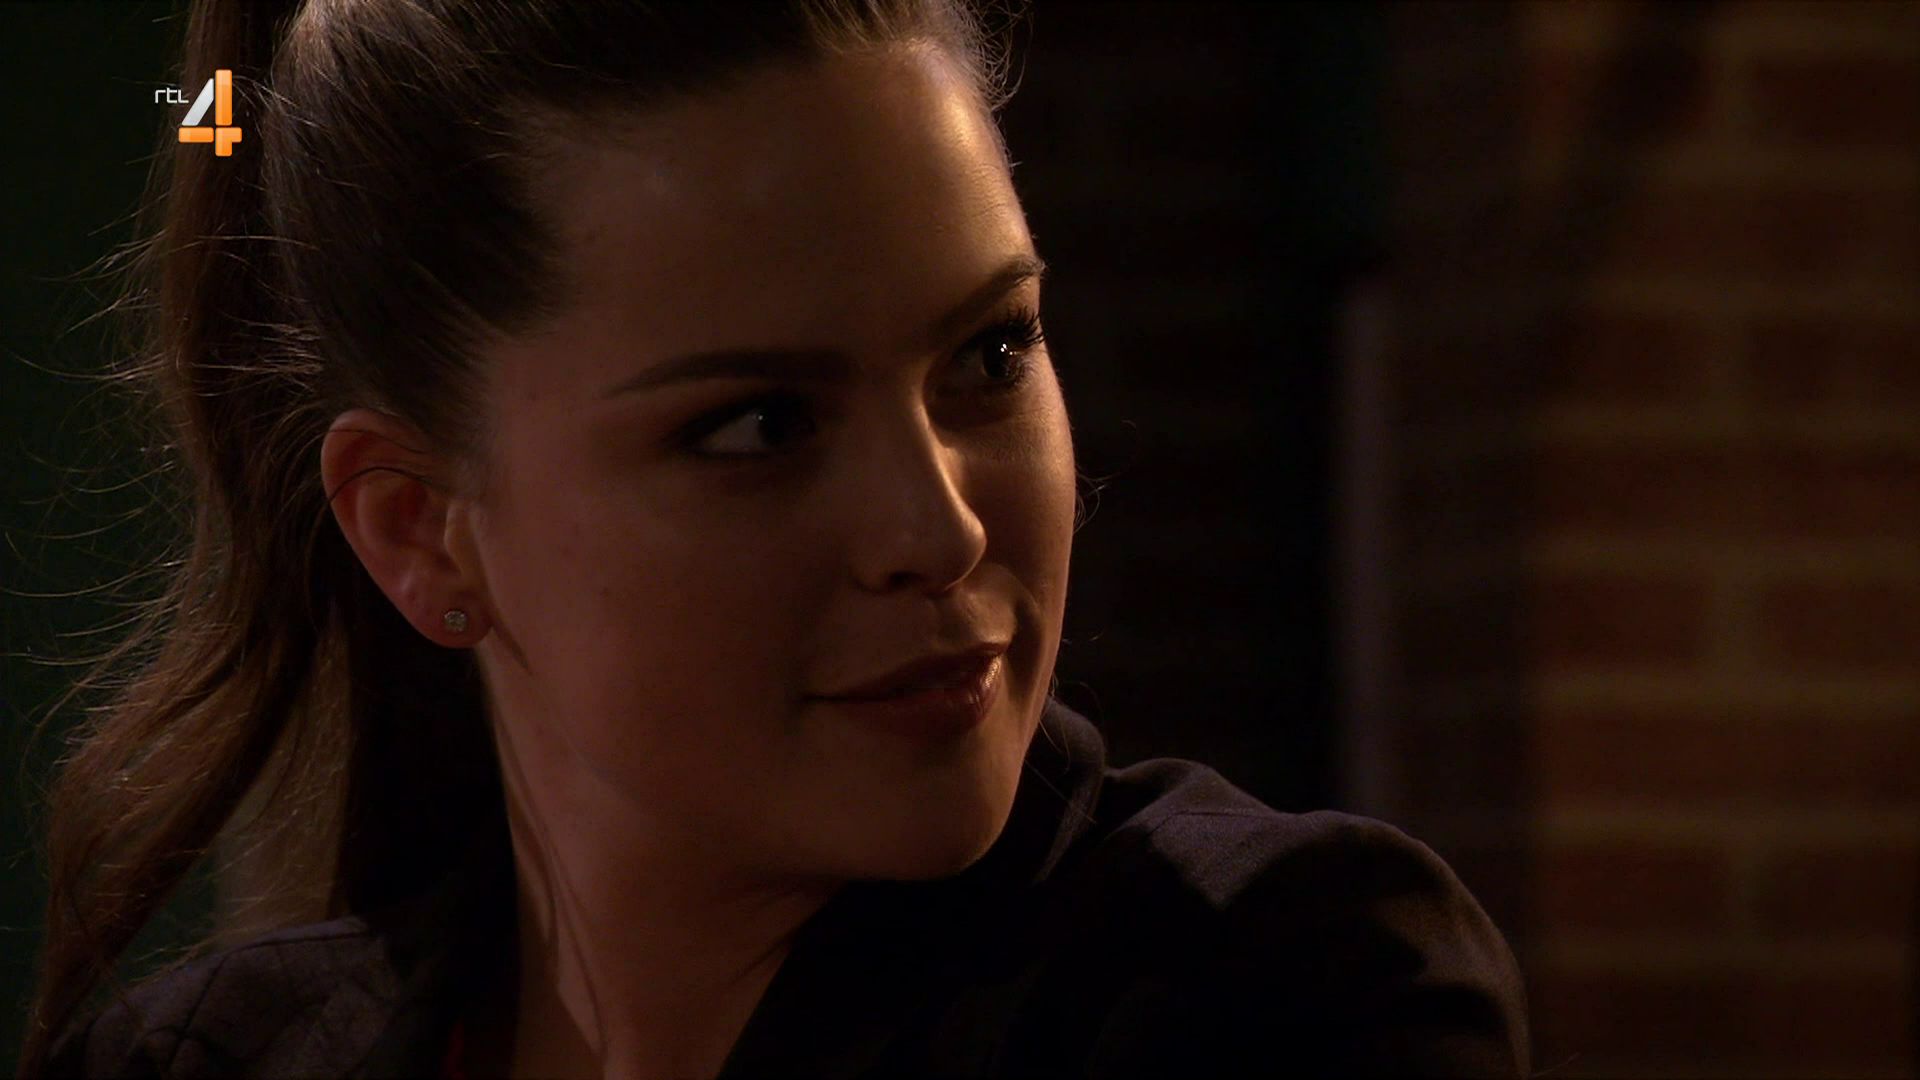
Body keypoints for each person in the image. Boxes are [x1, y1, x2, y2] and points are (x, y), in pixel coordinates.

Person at [17, 1, 1531, 1077]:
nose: (937, 527)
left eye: (990, 354)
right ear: (422, 531)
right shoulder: (204, 1059)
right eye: (758, 426)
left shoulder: (1270, 990)